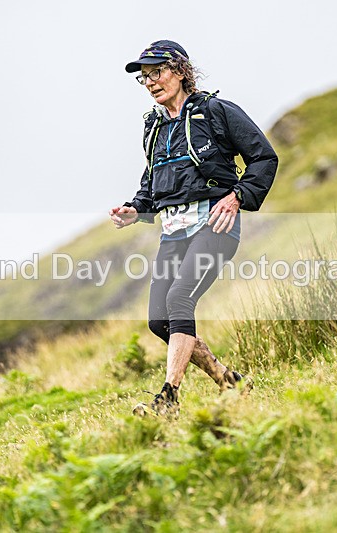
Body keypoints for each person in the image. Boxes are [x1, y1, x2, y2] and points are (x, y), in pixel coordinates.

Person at [109, 40, 278, 417]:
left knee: (179, 300)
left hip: (214, 225)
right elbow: (153, 183)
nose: (151, 82)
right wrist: (135, 208)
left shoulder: (217, 111)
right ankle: (229, 382)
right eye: (144, 77)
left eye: (157, 72)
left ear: (180, 70)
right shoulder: (154, 128)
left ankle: (167, 399)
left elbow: (263, 157)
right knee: (159, 320)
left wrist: (237, 196)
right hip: (173, 232)